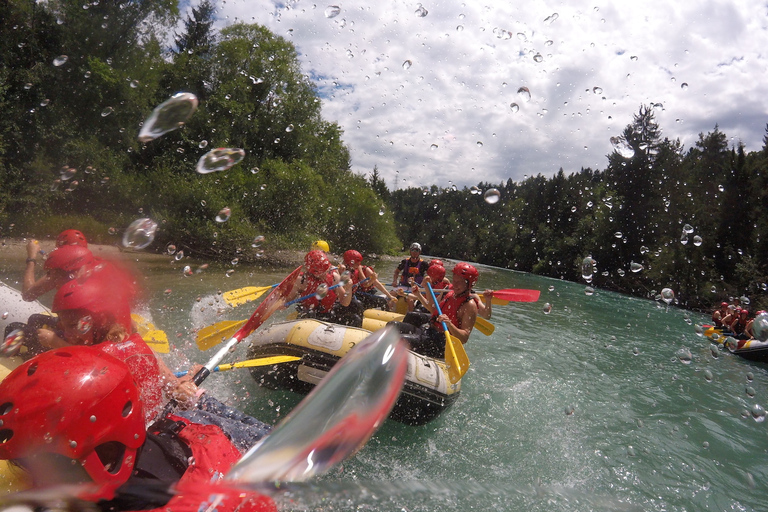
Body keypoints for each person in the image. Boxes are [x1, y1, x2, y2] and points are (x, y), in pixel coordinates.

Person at [0, 346, 277, 511]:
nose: (22, 471)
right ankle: (194, 396)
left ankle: (194, 397)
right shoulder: (157, 439)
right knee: (181, 412)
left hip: (210, 448)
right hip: (199, 436)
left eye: (28, 462)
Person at [389, 263, 479, 359]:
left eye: (459, 282)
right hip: (428, 331)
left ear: (469, 284)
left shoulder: (470, 306)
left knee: (399, 340)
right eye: (454, 280)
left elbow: (464, 338)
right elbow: (432, 309)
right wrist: (418, 295)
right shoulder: (450, 294)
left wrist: (449, 324)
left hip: (440, 344)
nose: (455, 285)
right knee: (392, 325)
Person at [284, 250, 354, 324]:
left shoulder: (334, 277)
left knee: (354, 318)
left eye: (326, 270)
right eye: (321, 272)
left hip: (327, 314)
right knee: (309, 314)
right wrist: (281, 304)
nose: (324, 274)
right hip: (306, 316)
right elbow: (287, 301)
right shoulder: (301, 280)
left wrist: (349, 288)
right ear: (311, 271)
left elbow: (345, 302)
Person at [22, 241, 95, 302]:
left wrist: (31, 258)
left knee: (34, 318)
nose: (52, 277)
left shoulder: (60, 275)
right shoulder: (92, 269)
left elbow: (28, 295)